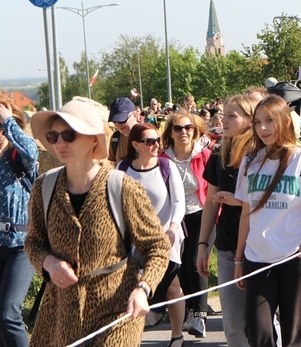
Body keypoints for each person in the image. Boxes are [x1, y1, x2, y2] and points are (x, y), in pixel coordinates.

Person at [25, 100, 170, 346]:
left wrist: (144, 288)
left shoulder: (121, 187)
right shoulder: (44, 187)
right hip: (62, 313)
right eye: (53, 136)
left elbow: (157, 246)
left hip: (117, 309)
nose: (60, 143)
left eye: (69, 135)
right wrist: (49, 263)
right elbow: (33, 242)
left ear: (94, 139)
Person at [234, 95, 301, 347]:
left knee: (293, 336)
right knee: (256, 330)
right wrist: (239, 258)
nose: (263, 128)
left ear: (286, 122)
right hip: (258, 258)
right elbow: (246, 214)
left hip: (297, 259)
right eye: (258, 122)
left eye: (269, 121)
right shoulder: (249, 162)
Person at [118, 123, 186, 346]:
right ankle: (130, 338)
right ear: (136, 144)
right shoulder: (123, 168)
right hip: (133, 243)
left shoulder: (166, 166)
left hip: (166, 240)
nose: (155, 145)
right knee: (131, 288)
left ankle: (177, 336)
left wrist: (172, 231)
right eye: (149, 141)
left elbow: (178, 203)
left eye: (157, 140)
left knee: (171, 289)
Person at [197, 95, 256, 347]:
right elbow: (211, 202)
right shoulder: (218, 152)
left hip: (262, 246)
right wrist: (202, 245)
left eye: (232, 115)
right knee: (232, 324)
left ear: (249, 119)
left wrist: (239, 200)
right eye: (224, 114)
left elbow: (275, 202)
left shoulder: (262, 154)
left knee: (262, 322)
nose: (224, 120)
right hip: (227, 245)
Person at [160, 111, 212, 337]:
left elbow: (212, 188)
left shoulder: (206, 155)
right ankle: (191, 308)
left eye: (188, 128)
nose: (183, 132)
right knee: (179, 266)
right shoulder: (162, 159)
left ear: (196, 131)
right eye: (178, 128)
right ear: (170, 133)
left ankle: (200, 315)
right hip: (174, 219)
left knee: (194, 261)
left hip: (202, 214)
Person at [0, 97, 38, 346]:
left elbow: (32, 151)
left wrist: (8, 122)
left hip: (21, 244)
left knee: (8, 313)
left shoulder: (17, 154)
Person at [108, 97, 139, 164]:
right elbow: (114, 165)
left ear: (135, 115)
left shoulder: (150, 136)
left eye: (122, 120)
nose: (118, 124)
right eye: (114, 121)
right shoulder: (115, 138)